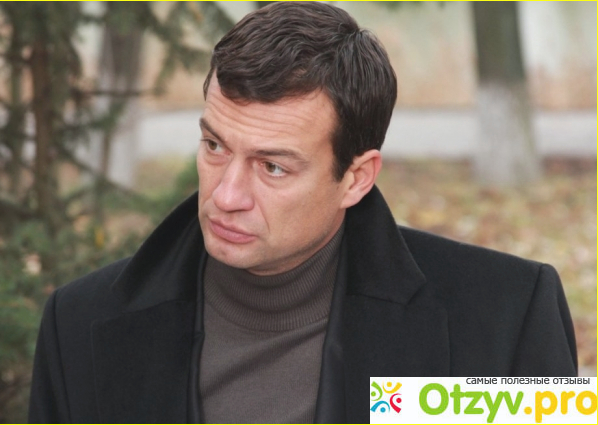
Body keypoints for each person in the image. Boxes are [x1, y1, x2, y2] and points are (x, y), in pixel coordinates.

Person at [28, 2, 577, 423]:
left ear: (356, 178)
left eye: (272, 167)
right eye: (215, 146)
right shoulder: (78, 324)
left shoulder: (508, 316)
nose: (226, 195)